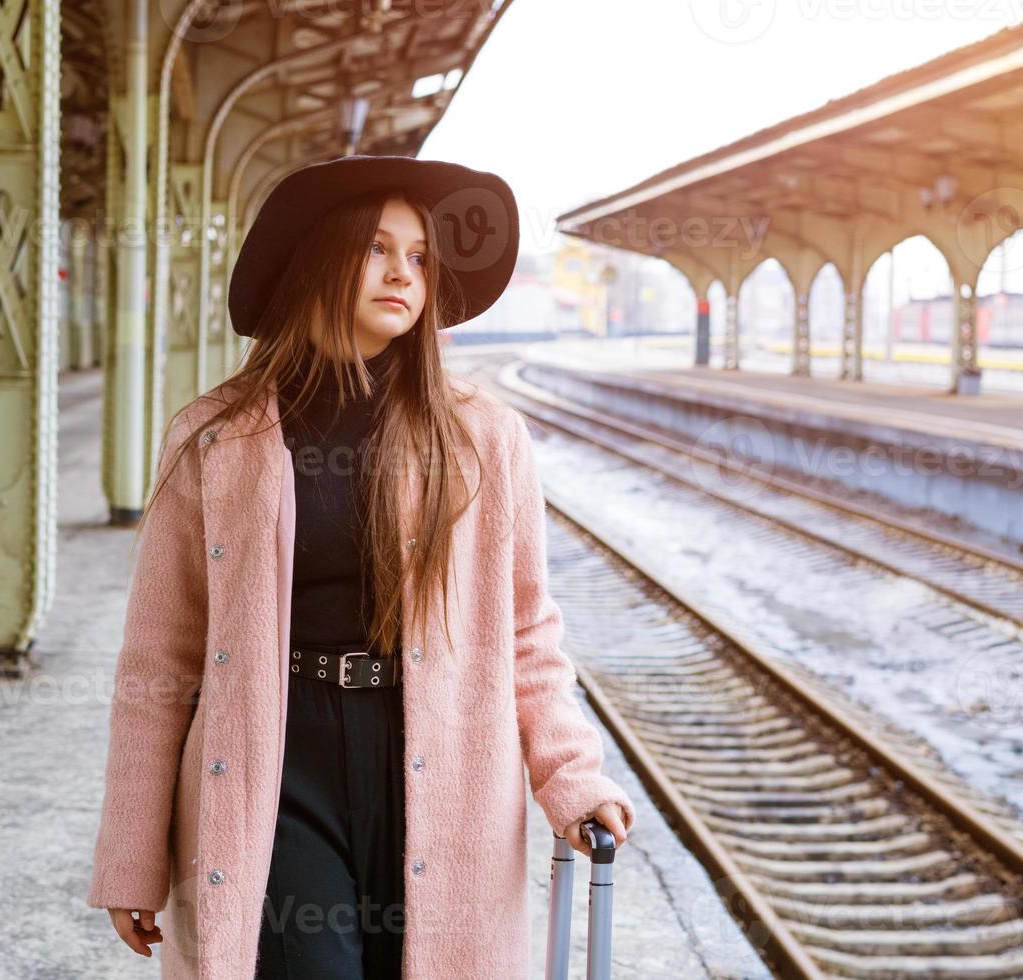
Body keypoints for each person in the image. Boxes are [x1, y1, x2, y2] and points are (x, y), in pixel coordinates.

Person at [85, 155, 637, 979]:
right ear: (319, 258)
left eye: (419, 257)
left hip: (440, 764)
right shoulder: (216, 438)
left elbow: (527, 632)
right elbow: (160, 655)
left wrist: (571, 775)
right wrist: (132, 851)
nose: (403, 274)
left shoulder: (484, 439)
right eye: (377, 249)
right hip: (278, 765)